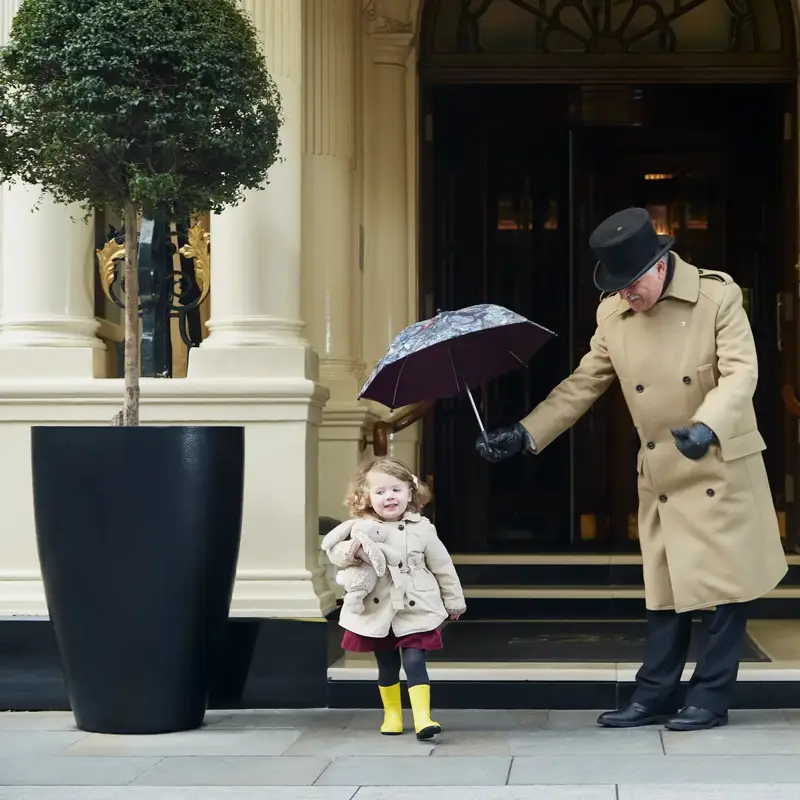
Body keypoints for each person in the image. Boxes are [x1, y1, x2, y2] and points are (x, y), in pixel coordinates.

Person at [475, 207, 788, 732]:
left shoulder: (717, 297)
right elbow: (584, 383)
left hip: (717, 461)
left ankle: (709, 699)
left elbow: (741, 373)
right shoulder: (612, 315)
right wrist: (526, 432)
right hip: (664, 469)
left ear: (660, 264)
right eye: (615, 286)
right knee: (664, 590)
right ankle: (656, 694)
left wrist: (707, 425)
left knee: (727, 590)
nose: (625, 295)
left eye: (632, 283)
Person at [321, 455, 466, 740]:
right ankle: (393, 714)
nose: (389, 497)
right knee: (387, 665)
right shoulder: (359, 528)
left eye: (396, 490)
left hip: (416, 606)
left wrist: (454, 600)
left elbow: (442, 566)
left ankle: (423, 718)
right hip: (379, 609)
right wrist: (355, 552)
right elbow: (334, 552)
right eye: (381, 492)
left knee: (414, 661)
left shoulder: (423, 528)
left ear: (410, 493)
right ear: (366, 497)